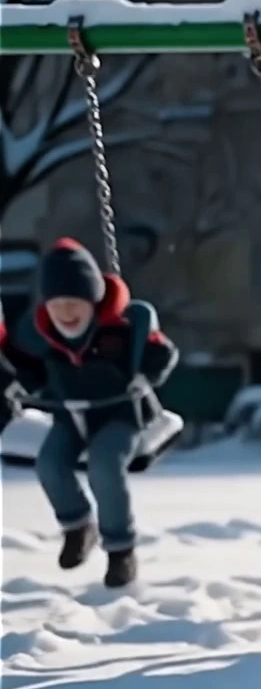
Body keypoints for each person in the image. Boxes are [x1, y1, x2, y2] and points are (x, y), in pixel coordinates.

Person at [1, 239, 179, 587]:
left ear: (93, 301)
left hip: (119, 417)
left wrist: (145, 376)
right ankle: (78, 525)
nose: (66, 313)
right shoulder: (43, 337)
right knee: (49, 464)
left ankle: (120, 549)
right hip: (69, 417)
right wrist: (13, 375)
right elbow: (32, 375)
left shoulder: (121, 329)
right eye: (58, 305)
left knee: (104, 466)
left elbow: (162, 354)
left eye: (75, 304)